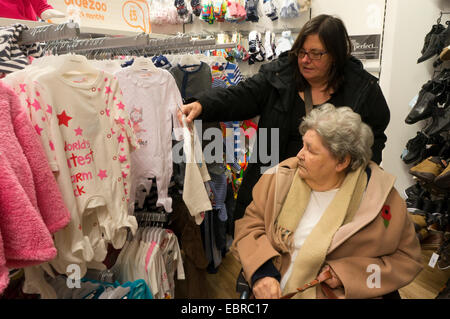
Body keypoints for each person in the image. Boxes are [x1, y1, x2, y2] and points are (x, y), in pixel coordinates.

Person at [179, 14, 391, 222]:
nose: (305, 60)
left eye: (316, 54)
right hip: (273, 187)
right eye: (302, 52)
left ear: (335, 56)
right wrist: (203, 104)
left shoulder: (363, 91)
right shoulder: (279, 76)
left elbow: (373, 141)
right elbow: (241, 95)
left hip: (330, 195)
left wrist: (359, 182)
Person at [229, 104, 422, 299]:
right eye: (303, 145)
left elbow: (407, 260)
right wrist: (262, 272)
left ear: (341, 162)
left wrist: (347, 274)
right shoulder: (279, 179)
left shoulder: (383, 200)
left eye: (311, 150)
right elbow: (249, 226)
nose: (299, 155)